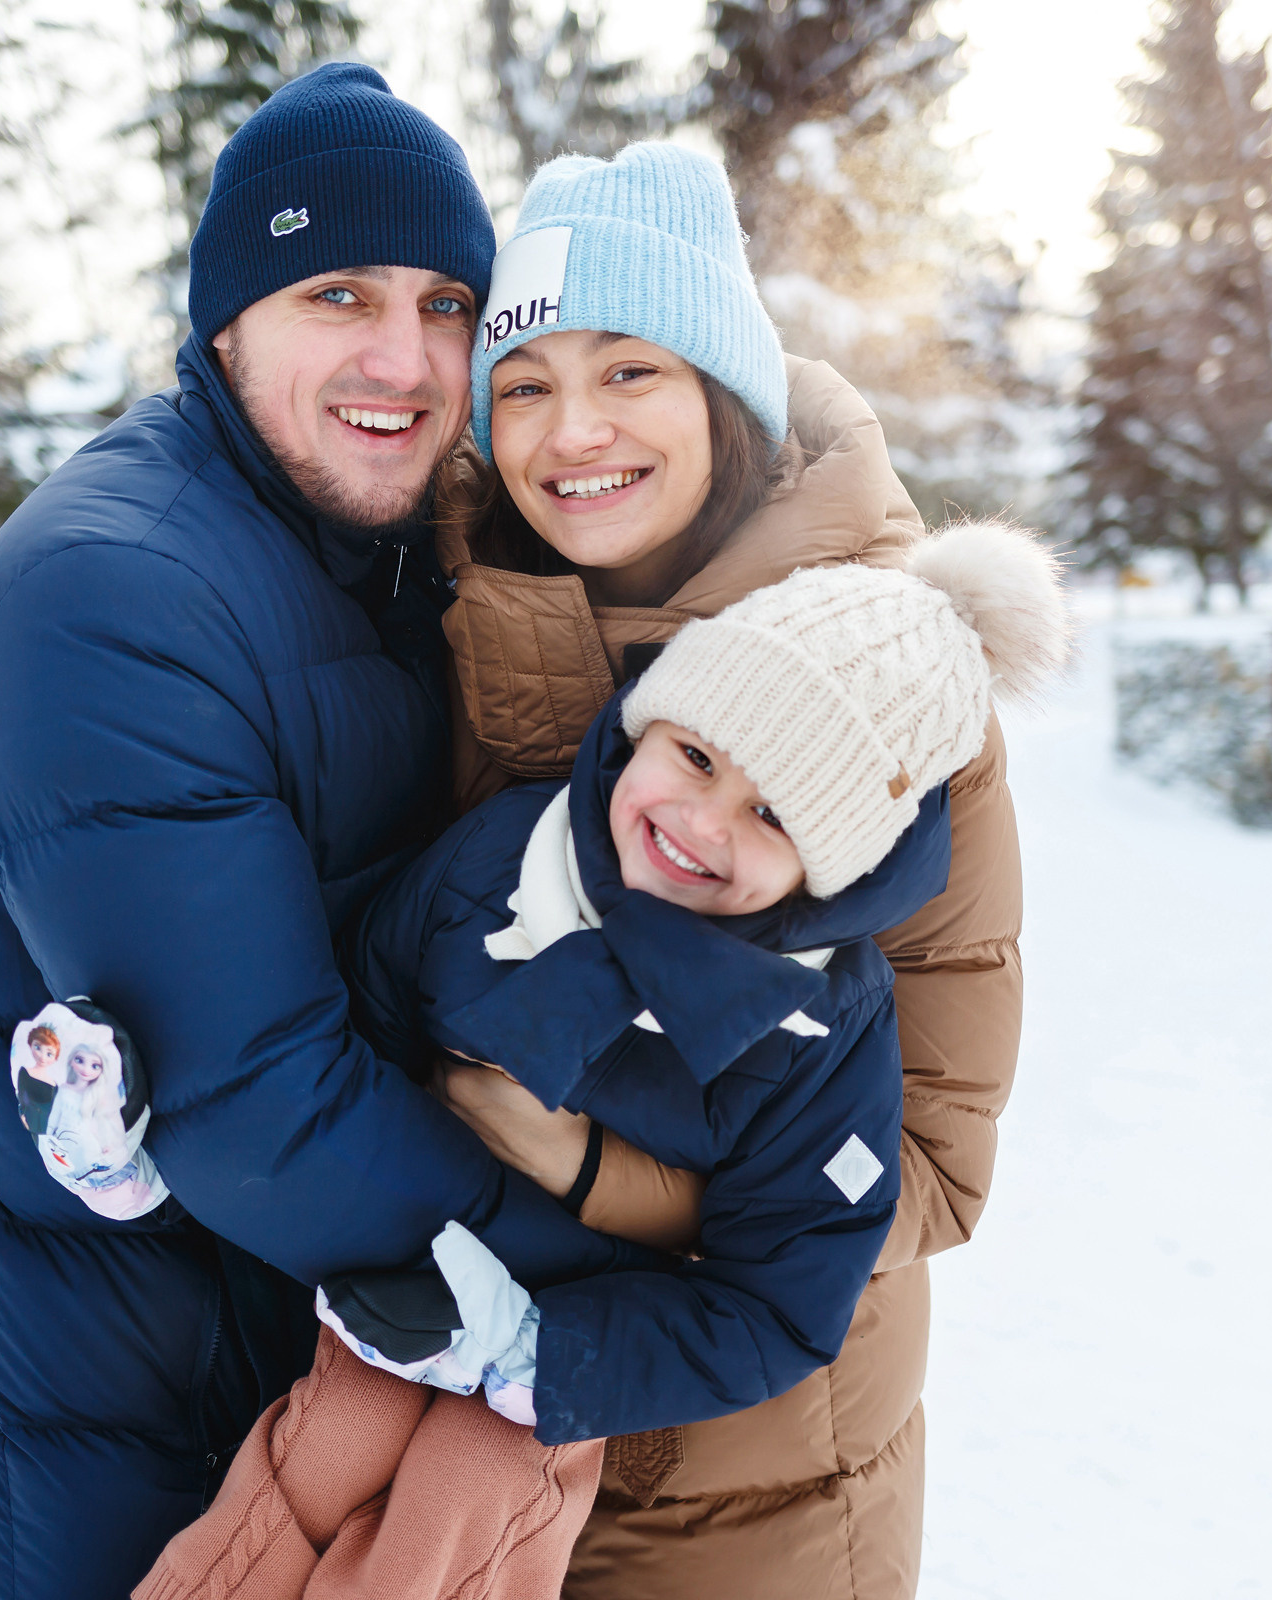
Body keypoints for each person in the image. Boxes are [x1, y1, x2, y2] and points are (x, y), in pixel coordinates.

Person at [0, 65, 646, 1600]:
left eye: (447, 304)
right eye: (337, 294)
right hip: (135, 1451)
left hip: (320, 1401)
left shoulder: (379, 556)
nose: (404, 357)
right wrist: (645, 1274)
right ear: (226, 319)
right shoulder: (110, 597)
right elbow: (257, 1104)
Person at [134, 527, 1068, 1600]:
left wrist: (539, 1350)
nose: (700, 822)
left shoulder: (822, 1029)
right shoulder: (502, 858)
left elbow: (782, 1302)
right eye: (696, 757)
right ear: (646, 724)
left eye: (774, 814)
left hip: (567, 1348)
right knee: (327, 1441)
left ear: (834, 864)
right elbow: (355, 1017)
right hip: (405, 1268)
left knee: (466, 1497)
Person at [427, 141, 1038, 1598]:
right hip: (451, 1436)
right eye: (525, 385)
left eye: (631, 370)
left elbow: (934, 1170)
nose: (573, 430)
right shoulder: (444, 618)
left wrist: (589, 1170)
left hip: (757, 1480)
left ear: (724, 390)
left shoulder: (887, 687)